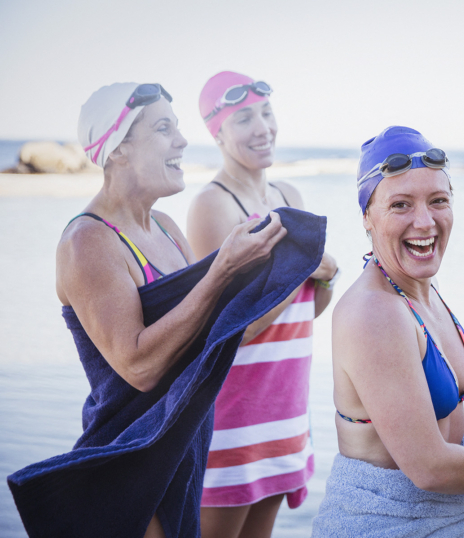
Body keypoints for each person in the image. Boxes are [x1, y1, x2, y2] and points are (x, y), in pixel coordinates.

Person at [6, 82, 326, 538]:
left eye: (177, 128)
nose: (181, 141)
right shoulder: (88, 241)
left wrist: (284, 266)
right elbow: (138, 366)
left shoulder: (168, 228)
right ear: (118, 150)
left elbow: (208, 329)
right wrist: (221, 271)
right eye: (163, 129)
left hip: (183, 444)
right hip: (133, 454)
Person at [310, 126, 464, 538]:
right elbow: (429, 468)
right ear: (367, 215)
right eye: (400, 204)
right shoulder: (373, 313)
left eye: (438, 201)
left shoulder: (419, 291)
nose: (425, 221)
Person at [187, 71, 338, 538]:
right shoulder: (213, 206)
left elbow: (304, 313)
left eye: (267, 114)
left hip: (285, 405)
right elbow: (228, 329)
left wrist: (328, 276)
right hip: (235, 411)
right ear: (217, 133)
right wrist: (301, 270)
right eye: (244, 118)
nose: (262, 128)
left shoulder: (288, 197)